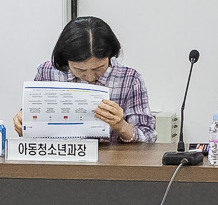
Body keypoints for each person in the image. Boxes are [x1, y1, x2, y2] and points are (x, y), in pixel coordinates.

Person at [22, 17, 153, 144]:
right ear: (65, 60)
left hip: (110, 163)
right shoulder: (47, 72)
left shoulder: (129, 79)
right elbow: (32, 123)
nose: (90, 78)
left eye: (98, 68)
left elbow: (148, 137)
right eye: (80, 70)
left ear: (110, 56)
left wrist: (121, 126)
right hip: (57, 160)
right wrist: (23, 123)